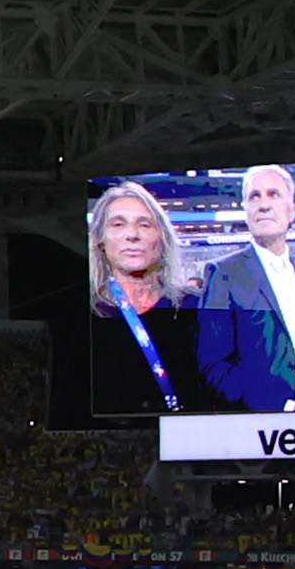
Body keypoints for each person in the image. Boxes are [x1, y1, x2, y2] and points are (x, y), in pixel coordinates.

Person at [195, 162, 295, 412]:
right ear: (246, 210)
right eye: (254, 196)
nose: (263, 204)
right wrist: (285, 409)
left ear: (291, 210)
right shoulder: (223, 273)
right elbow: (214, 367)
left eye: (274, 194)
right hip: (264, 426)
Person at [82, 178, 207, 419]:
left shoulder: (196, 305)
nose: (132, 235)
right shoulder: (87, 313)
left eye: (145, 224)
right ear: (100, 241)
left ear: (161, 239)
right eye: (118, 224)